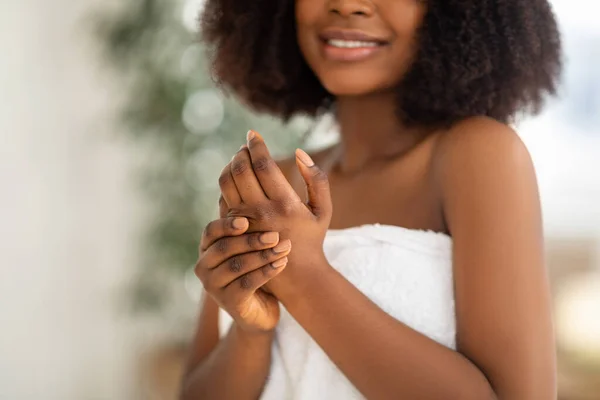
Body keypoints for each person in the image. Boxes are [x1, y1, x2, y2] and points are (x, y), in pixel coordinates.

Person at [180, 0, 562, 398]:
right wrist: (252, 332)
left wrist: (307, 280)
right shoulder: (271, 186)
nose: (346, 5)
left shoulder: (476, 156)